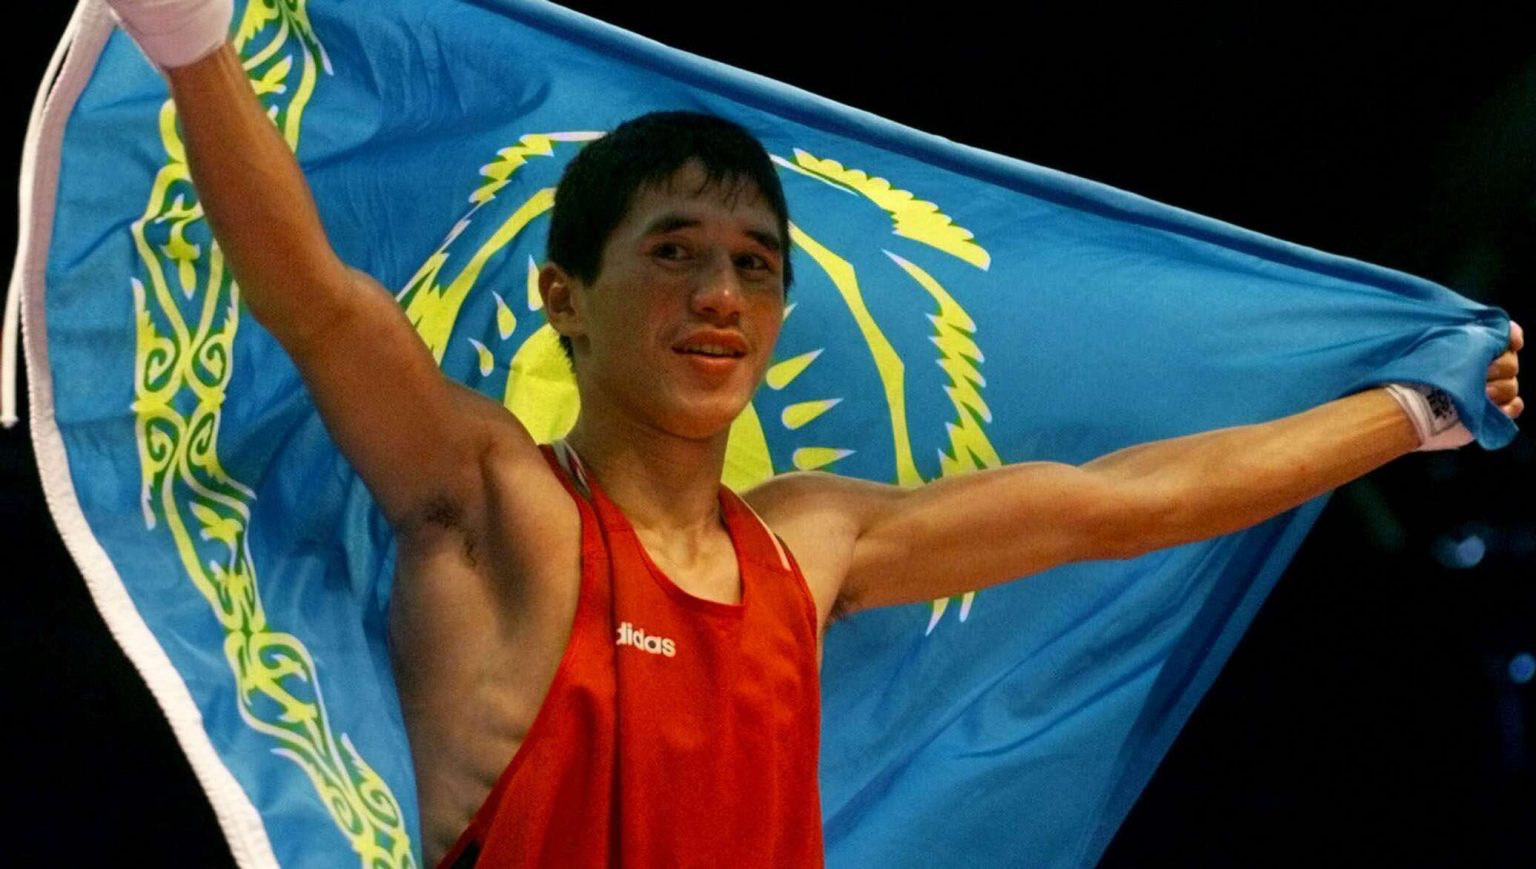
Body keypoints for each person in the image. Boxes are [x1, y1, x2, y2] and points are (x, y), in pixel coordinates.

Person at [105, 2, 1523, 866]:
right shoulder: (497, 505)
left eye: (754, 267)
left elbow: (1129, 502)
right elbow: (319, 304)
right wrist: (190, 43)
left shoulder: (815, 540)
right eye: (672, 252)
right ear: (563, 298)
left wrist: (1409, 412)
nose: (720, 295)